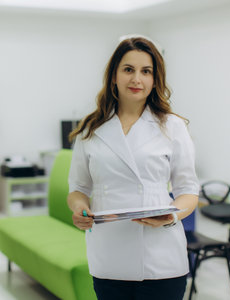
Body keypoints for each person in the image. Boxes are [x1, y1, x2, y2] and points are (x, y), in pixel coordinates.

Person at [67, 35, 200, 300]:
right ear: (114, 75)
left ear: (154, 79)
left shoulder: (173, 126)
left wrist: (172, 215)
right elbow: (78, 188)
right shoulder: (90, 129)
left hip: (160, 254)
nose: (136, 79)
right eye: (128, 69)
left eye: (146, 71)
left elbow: (188, 190)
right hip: (109, 255)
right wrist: (80, 209)